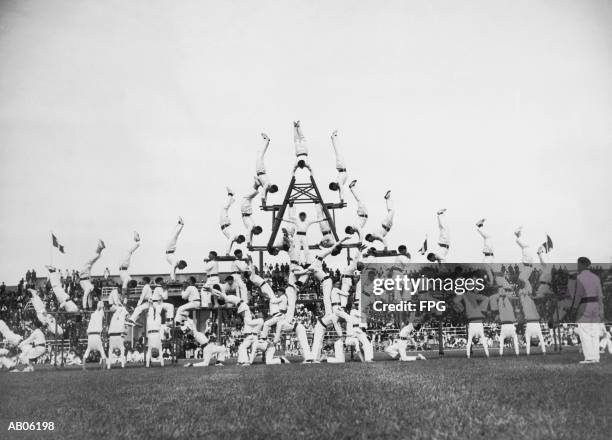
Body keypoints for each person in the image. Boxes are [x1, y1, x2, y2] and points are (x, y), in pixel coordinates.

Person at [572, 257, 604, 364]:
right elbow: (600, 295)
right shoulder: (596, 277)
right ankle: (596, 357)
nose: (577, 267)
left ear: (582, 265)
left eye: (578, 265)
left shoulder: (580, 277)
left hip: (585, 304)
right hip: (595, 304)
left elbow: (578, 295)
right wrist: (601, 309)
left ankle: (589, 357)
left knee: (584, 331)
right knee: (594, 331)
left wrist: (575, 308)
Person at [454, 290, 490, 358]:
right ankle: (486, 354)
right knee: (474, 340)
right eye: (477, 339)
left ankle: (484, 354)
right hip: (476, 319)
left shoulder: (468, 296)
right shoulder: (471, 297)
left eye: (475, 339)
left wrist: (461, 308)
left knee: (470, 341)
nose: (476, 338)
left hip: (474, 320)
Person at [489, 283, 519, 356]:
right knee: (514, 339)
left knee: (503, 340)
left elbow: (493, 298)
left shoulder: (501, 299)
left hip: (505, 325)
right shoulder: (507, 299)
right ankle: (517, 353)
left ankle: (501, 353)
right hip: (510, 324)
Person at [80, 239, 105, 309]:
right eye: (95, 294)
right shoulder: (90, 288)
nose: (94, 295)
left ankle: (100, 248)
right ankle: (100, 248)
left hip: (84, 274)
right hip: (85, 273)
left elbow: (88, 298)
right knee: (92, 260)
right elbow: (86, 297)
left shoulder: (90, 288)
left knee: (92, 261)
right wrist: (85, 307)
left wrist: (89, 307)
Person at [82, 301, 107, 370]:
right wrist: (101, 307)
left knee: (87, 351)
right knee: (102, 352)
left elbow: (98, 310)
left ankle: (84, 368)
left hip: (90, 336)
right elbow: (101, 311)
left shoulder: (93, 315)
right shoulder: (100, 314)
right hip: (96, 335)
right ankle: (104, 368)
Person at [255, 133, 278, 199]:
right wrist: (263, 201)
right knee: (260, 154)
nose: (271, 192)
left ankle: (265, 140)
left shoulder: (268, 187)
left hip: (260, 171)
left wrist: (265, 201)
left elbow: (265, 194)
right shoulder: (267, 184)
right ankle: (266, 140)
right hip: (261, 170)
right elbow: (263, 192)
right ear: (272, 188)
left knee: (259, 153)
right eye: (272, 192)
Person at [166, 217, 187, 281]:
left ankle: (178, 224)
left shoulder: (175, 264)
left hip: (170, 249)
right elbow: (172, 271)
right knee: (175, 235)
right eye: (182, 267)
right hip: (170, 248)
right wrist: (173, 279)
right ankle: (181, 224)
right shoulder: (175, 262)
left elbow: (173, 272)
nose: (181, 269)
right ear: (181, 264)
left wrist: (173, 279)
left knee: (173, 234)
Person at [328, 130, 347, 200]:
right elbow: (340, 191)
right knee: (338, 150)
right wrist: (341, 199)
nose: (335, 190)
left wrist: (342, 199)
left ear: (334, 185)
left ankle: (334, 136)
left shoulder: (339, 182)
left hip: (341, 166)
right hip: (341, 167)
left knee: (338, 150)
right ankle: (334, 137)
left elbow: (341, 190)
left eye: (334, 189)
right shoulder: (339, 184)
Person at [146, 303, 164, 367]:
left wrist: (147, 365)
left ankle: (154, 304)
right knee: (156, 315)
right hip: (155, 331)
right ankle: (157, 304)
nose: (154, 352)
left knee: (154, 315)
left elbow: (149, 354)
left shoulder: (152, 348)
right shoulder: (158, 347)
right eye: (155, 353)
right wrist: (162, 364)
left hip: (152, 331)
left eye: (153, 353)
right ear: (157, 353)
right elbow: (161, 355)